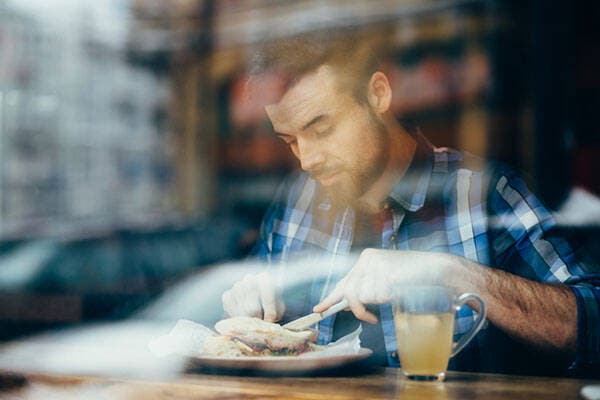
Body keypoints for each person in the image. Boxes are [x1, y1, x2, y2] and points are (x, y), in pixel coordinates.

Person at [221, 30, 600, 376]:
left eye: (321, 128)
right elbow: (255, 339)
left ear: (379, 94)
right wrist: (248, 303)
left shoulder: (482, 194)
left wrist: (449, 274)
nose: (307, 160)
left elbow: (591, 322)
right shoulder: (295, 205)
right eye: (289, 140)